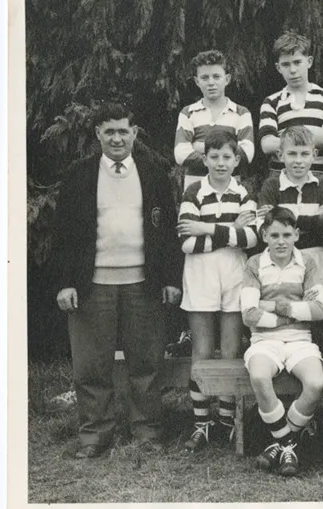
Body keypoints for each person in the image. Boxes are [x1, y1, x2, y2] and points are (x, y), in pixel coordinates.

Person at [52, 102, 182, 458]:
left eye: (123, 130)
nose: (117, 138)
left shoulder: (153, 172)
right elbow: (62, 235)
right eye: (109, 131)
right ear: (97, 134)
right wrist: (66, 283)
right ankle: (95, 435)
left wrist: (171, 278)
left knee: (147, 363)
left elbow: (167, 231)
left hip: (144, 282)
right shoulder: (79, 174)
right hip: (93, 284)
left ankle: (148, 432)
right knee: (91, 365)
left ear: (135, 133)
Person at [177, 130, 259, 452]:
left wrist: (207, 228)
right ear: (205, 159)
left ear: (237, 160)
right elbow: (186, 241)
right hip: (199, 275)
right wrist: (231, 229)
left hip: (235, 274)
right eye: (214, 157)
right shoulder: (193, 191)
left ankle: (227, 421)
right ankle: (201, 423)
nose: (220, 163)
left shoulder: (244, 192)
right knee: (201, 350)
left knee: (230, 351)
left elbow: (252, 239)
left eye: (227, 157)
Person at [241, 207, 323, 477]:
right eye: (274, 234)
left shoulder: (307, 263)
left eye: (287, 234)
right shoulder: (254, 263)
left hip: (301, 340)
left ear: (296, 235)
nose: (281, 241)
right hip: (265, 340)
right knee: (259, 376)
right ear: (264, 235)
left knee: (315, 383)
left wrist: (273, 306)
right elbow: (248, 314)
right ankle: (289, 444)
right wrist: (292, 312)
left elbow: (319, 310)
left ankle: (279, 443)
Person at [257, 125, 323, 305]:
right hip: (281, 260)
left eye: (304, 154)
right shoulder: (271, 185)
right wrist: (315, 220)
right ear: (280, 155)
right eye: (292, 154)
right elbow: (263, 227)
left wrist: (286, 216)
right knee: (285, 310)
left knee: (317, 313)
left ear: (314, 154)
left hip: (316, 257)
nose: (298, 161)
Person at [257, 31, 323, 186]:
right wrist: (314, 136)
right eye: (286, 64)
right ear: (278, 68)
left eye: (297, 62)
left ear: (309, 61)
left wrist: (286, 138)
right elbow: (267, 144)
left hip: (320, 175)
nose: (292, 70)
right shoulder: (271, 102)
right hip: (280, 176)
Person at [173, 49, 254, 191]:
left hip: (230, 189)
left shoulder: (241, 113)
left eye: (216, 76)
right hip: (195, 189)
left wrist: (199, 148)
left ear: (227, 79)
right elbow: (181, 154)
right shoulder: (188, 113)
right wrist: (226, 153)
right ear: (197, 81)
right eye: (205, 78)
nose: (211, 83)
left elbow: (247, 153)